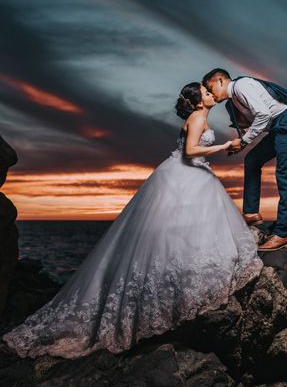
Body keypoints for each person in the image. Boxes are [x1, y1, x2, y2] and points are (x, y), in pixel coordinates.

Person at [2, 83, 263, 359]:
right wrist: (223, 146)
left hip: (185, 176)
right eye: (206, 92)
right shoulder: (198, 118)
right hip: (186, 174)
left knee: (175, 233)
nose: (211, 94)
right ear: (199, 102)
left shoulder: (198, 116)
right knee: (174, 232)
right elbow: (190, 151)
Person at [202, 68, 287, 251]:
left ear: (220, 80)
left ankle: (282, 234)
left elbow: (263, 114)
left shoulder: (241, 86)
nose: (211, 94)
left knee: (285, 175)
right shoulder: (234, 100)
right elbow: (251, 124)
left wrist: (244, 141)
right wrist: (240, 144)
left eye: (210, 87)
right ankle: (251, 213)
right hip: (278, 125)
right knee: (252, 161)